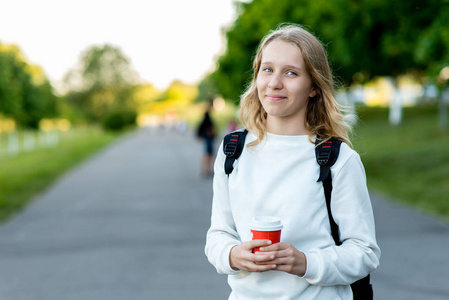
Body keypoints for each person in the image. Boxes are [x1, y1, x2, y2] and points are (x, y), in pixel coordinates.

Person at [205, 24, 380, 299]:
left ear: (313, 87)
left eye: (291, 72)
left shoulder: (337, 159)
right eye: (268, 69)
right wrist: (232, 254)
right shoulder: (232, 151)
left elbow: (364, 252)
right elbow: (218, 235)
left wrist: (305, 263)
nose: (275, 82)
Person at [197, 100, 216, 177]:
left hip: (208, 138)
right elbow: (209, 128)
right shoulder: (207, 117)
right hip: (208, 138)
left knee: (207, 154)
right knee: (208, 154)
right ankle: (206, 170)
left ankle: (206, 169)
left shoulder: (206, 116)